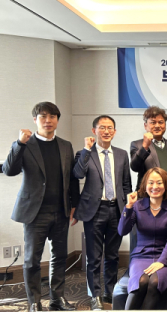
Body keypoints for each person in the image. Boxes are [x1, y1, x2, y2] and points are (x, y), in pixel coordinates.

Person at [2, 102, 80, 312]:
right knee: (31, 260)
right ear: (35, 119)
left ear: (57, 120)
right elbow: (9, 170)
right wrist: (19, 144)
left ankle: (57, 299)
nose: (48, 120)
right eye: (43, 116)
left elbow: (72, 178)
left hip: (61, 211)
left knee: (60, 257)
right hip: (35, 213)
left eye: (52, 116)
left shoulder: (65, 145)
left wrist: (75, 205)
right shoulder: (25, 145)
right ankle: (34, 302)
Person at [72, 115, 132, 310]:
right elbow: (78, 174)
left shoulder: (122, 154)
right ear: (94, 131)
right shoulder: (85, 153)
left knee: (113, 255)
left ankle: (110, 290)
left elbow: (126, 184)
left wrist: (127, 209)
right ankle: (95, 296)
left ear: (114, 131)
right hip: (94, 211)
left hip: (116, 209)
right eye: (102, 127)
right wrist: (86, 150)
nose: (106, 131)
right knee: (94, 256)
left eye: (110, 128)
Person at [117, 168, 167, 310]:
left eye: (159, 182)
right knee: (142, 281)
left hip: (164, 257)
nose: (155, 186)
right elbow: (122, 231)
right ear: (145, 185)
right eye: (151, 183)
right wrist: (128, 207)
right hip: (140, 256)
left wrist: (161, 262)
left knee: (155, 282)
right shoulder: (138, 206)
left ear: (165, 185)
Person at [130, 106, 167, 191]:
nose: (157, 126)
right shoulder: (137, 144)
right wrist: (145, 147)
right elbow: (135, 167)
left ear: (165, 125)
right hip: (147, 196)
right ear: (145, 126)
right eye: (153, 122)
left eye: (161, 122)